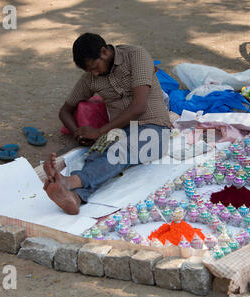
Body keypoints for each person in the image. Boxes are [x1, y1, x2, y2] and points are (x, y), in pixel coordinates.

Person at [43, 32, 171, 215]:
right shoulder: (91, 78)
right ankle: (75, 198)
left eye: (95, 67)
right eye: (90, 71)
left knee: (120, 151)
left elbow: (139, 106)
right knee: (95, 155)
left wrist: (99, 131)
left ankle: (70, 182)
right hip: (118, 130)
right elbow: (65, 111)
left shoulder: (136, 55)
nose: (94, 73)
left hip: (154, 127)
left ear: (104, 52)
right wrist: (78, 134)